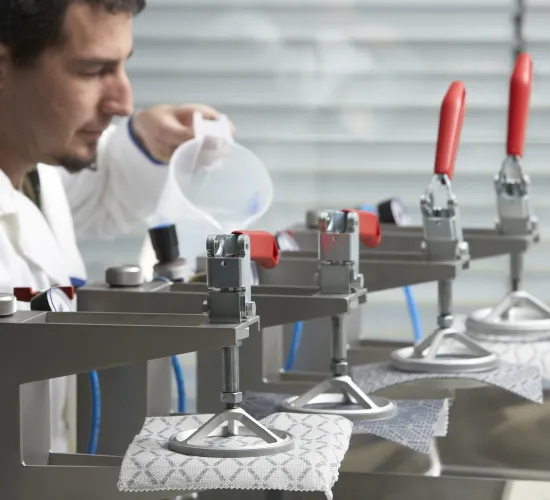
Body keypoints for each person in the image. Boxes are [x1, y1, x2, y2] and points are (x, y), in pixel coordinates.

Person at [0, 0, 234, 453]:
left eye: (122, 66)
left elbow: (96, 194)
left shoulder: (33, 165)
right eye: (92, 71)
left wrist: (146, 142)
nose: (124, 102)